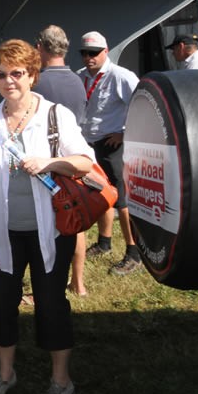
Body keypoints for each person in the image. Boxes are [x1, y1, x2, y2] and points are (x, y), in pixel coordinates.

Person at [0, 39, 94, 394]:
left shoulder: (55, 116)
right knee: (2, 304)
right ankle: (6, 373)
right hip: (1, 234)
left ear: (33, 75)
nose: (9, 81)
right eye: (1, 75)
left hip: (51, 232)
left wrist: (50, 162)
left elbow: (85, 162)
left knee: (52, 305)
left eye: (17, 73)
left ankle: (61, 381)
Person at [76, 31, 141, 275]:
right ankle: (104, 242)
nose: (88, 58)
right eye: (84, 53)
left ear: (106, 51)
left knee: (121, 200)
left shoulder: (121, 76)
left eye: (93, 53)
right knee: (100, 192)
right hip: (90, 143)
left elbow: (141, 105)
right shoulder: (80, 77)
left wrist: (125, 134)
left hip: (113, 143)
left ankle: (133, 252)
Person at [33, 25, 88, 297]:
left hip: (49, 165)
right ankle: (78, 283)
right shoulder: (78, 80)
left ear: (41, 47)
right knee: (75, 223)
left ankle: (47, 284)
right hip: (75, 160)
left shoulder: (39, 83)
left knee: (50, 227)